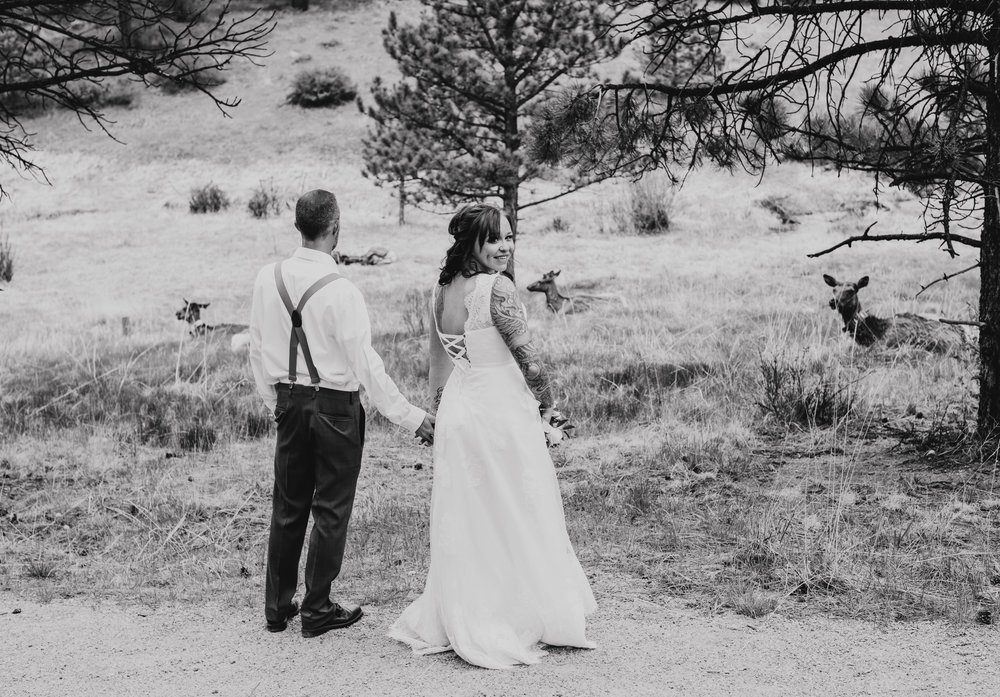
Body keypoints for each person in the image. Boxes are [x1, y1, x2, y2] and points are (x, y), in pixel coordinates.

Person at [388, 203, 596, 669]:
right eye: (494, 239)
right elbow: (529, 359)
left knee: (474, 515)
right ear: (472, 244)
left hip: (463, 410)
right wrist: (549, 407)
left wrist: (441, 420)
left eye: (508, 237)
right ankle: (520, 612)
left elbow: (438, 364)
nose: (505, 247)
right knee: (519, 506)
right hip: (500, 411)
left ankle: (472, 609)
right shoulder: (495, 288)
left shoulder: (441, 290)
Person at [249, 189, 435, 638]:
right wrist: (411, 416)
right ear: (335, 228)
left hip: (289, 402)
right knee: (330, 509)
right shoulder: (343, 290)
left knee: (287, 507)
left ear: (299, 226)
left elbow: (256, 350)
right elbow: (366, 366)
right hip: (335, 407)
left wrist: (274, 403)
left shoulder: (265, 277)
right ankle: (316, 609)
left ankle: (277, 609)